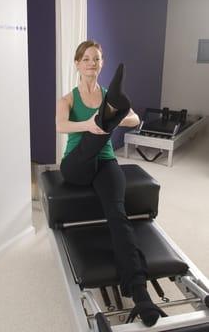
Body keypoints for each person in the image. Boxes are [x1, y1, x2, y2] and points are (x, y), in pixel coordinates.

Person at [56, 40, 166, 326]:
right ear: (77, 64)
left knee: (118, 216)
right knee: (100, 130)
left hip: (105, 163)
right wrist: (90, 124)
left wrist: (119, 118)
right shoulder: (67, 99)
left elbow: (136, 119)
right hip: (76, 165)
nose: (92, 63)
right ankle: (106, 122)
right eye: (87, 58)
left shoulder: (109, 96)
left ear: (101, 64)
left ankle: (140, 293)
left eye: (97, 59)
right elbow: (60, 125)